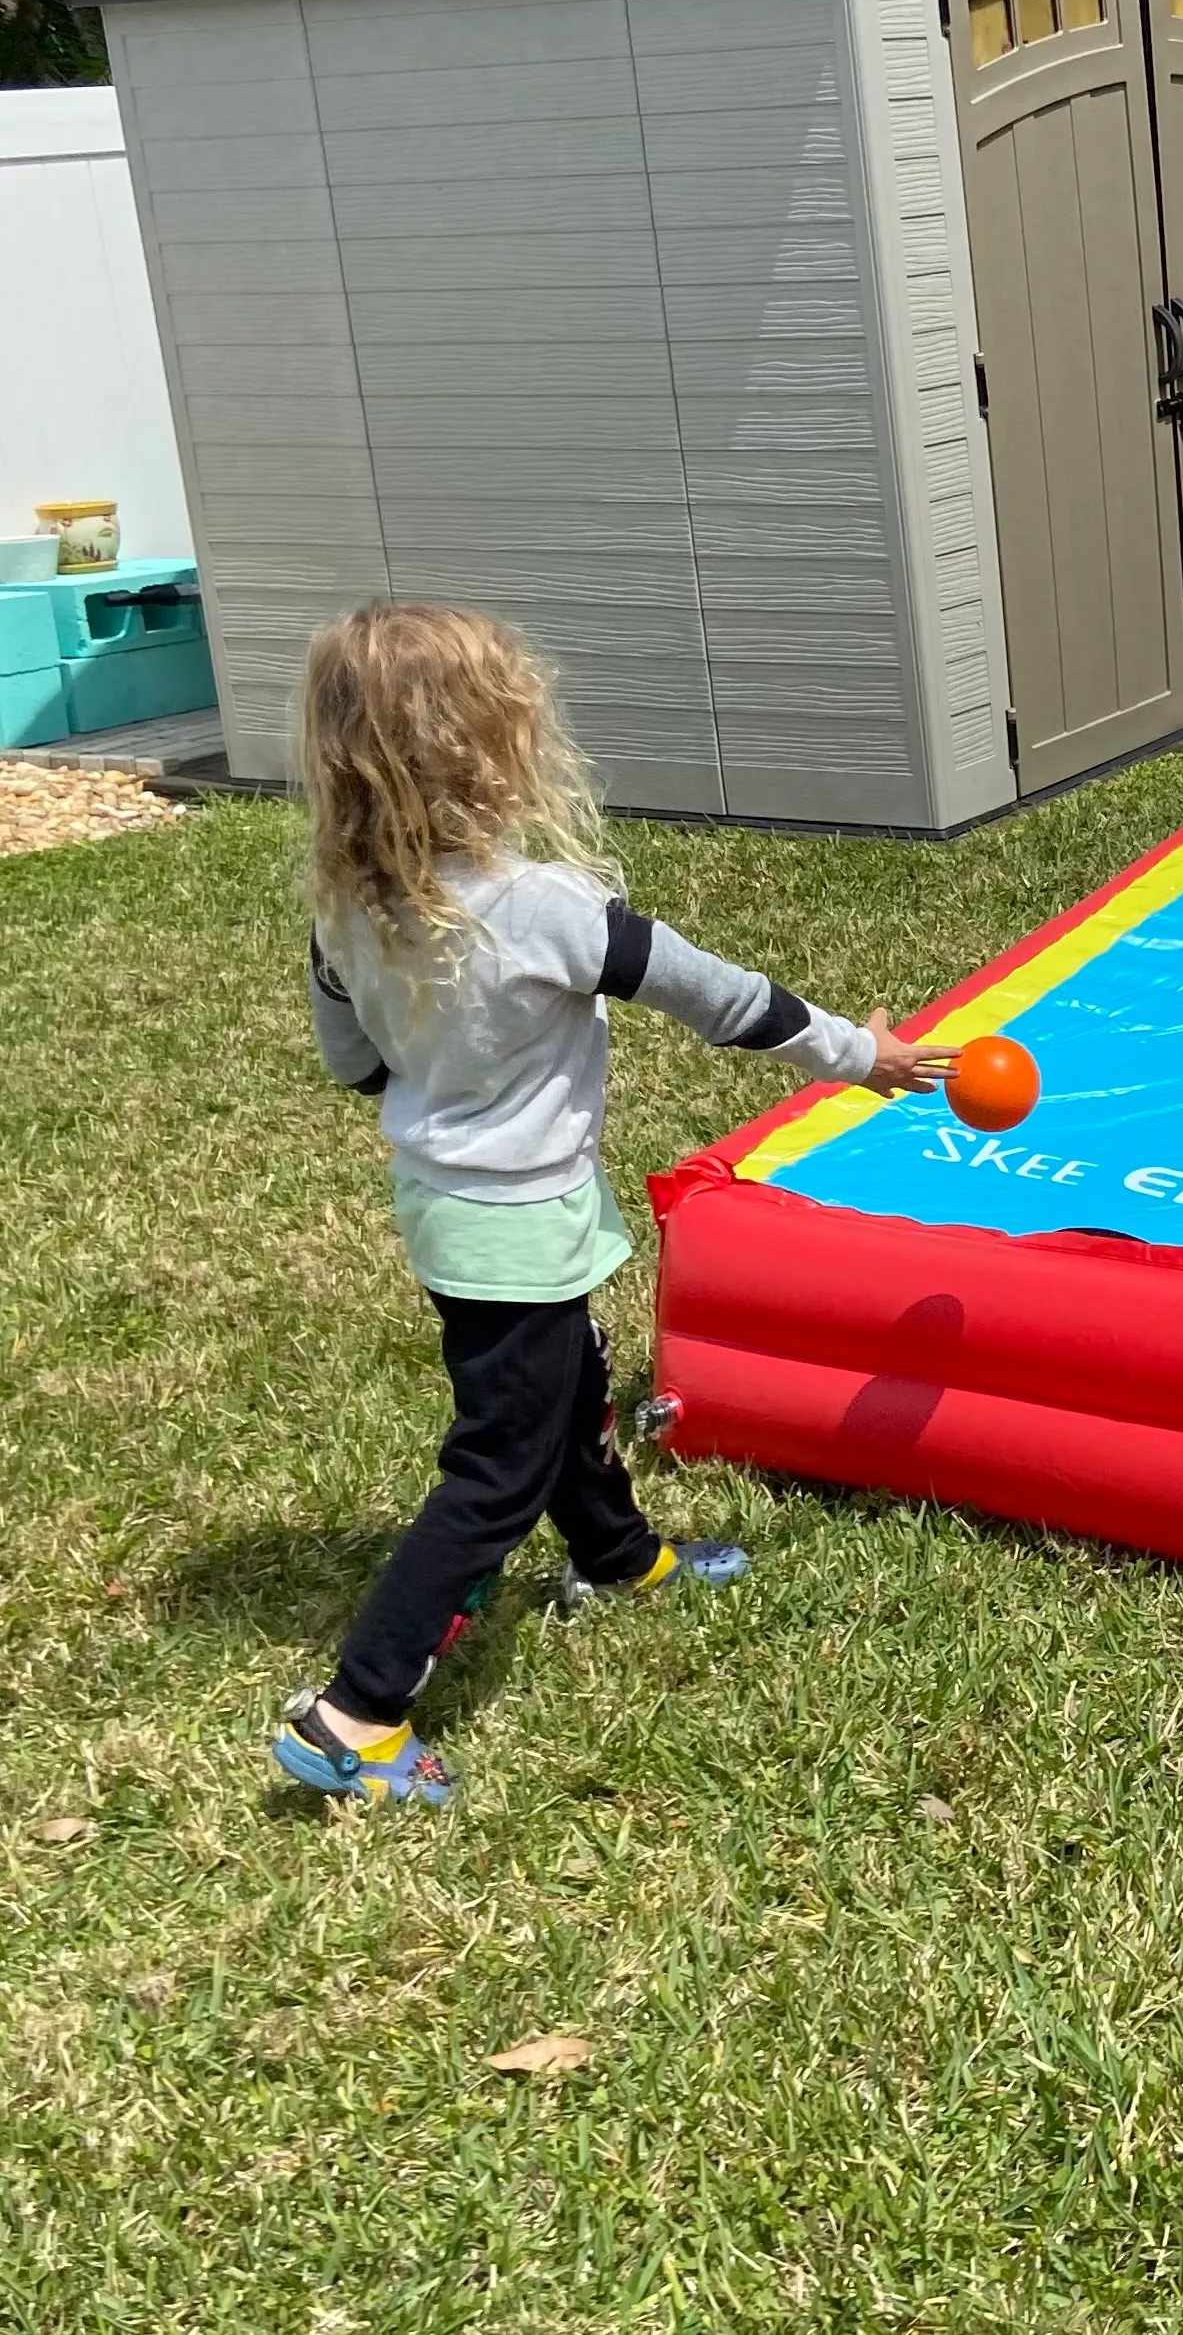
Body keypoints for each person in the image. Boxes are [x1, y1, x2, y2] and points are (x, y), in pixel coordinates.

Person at [274, 600, 949, 1807]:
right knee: (497, 1467)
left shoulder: (347, 910)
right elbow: (725, 1000)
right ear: (495, 744)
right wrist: (869, 1058)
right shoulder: (549, 910)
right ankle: (356, 1710)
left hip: (446, 1210)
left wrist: (446, 1066)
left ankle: (616, 1555)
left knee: (569, 1385)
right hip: (521, 1223)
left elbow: (352, 1065)